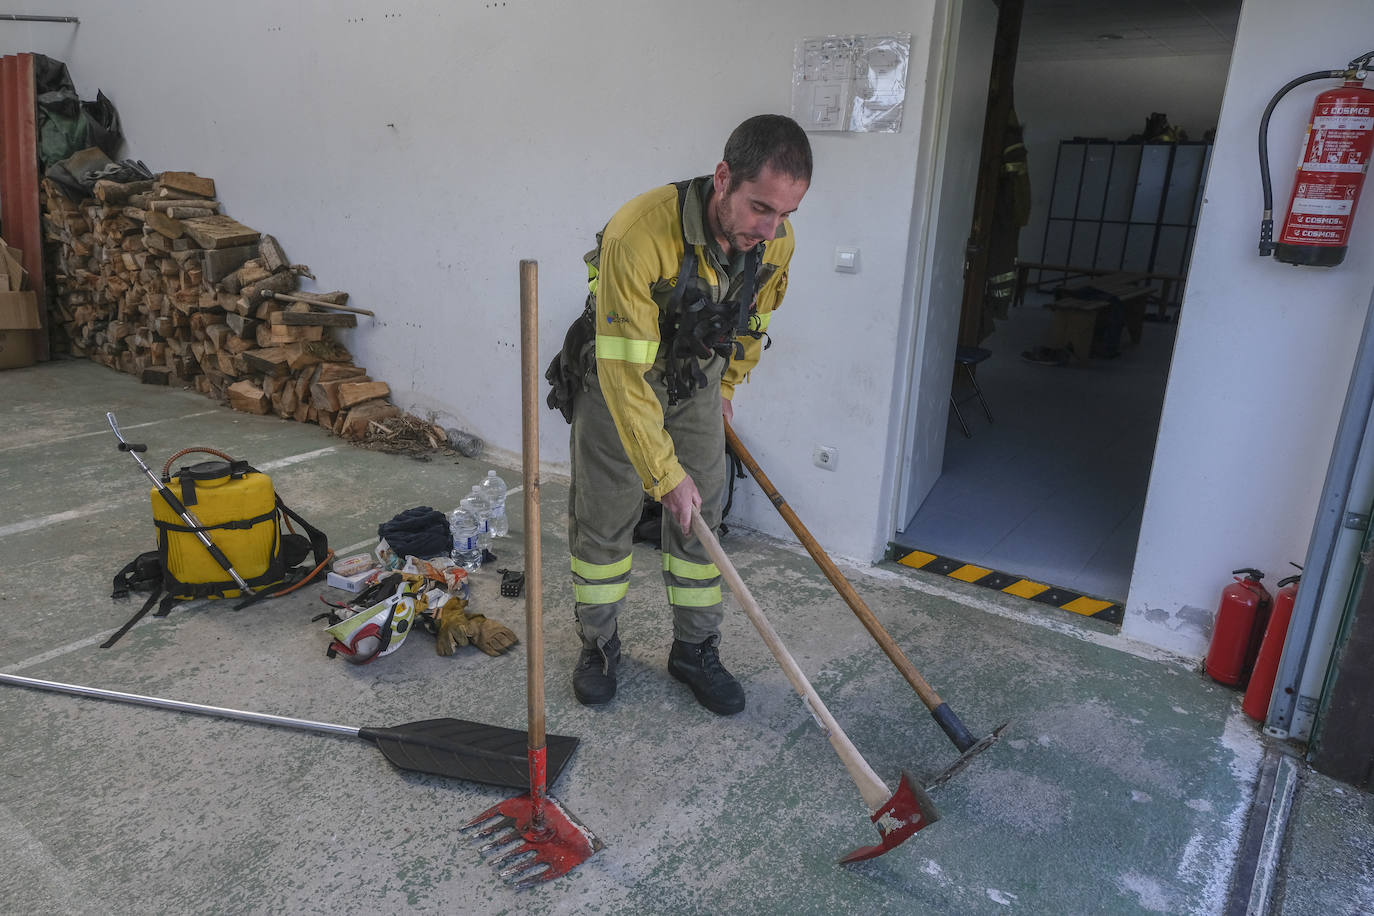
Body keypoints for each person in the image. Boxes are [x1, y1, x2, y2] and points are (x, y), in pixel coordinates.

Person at [551, 114, 811, 715]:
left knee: (703, 519)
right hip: (615, 382)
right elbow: (625, 371)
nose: (770, 229)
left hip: (697, 381)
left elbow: (753, 319)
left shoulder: (775, 241)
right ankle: (598, 644)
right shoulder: (638, 234)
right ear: (723, 179)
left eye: (785, 215)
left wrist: (728, 387)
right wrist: (664, 476)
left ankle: (694, 650)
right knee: (606, 519)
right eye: (760, 208)